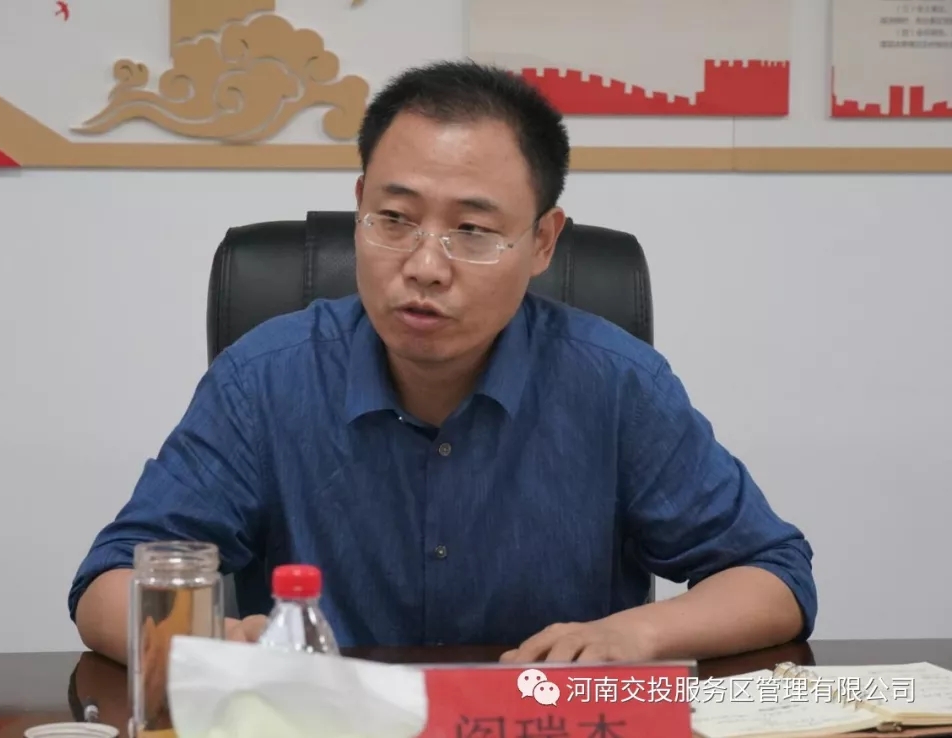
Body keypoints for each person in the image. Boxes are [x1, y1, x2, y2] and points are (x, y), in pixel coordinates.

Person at [70, 60, 816, 665]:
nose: (425, 266)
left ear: (543, 242)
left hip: (538, 724)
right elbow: (111, 580)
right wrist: (204, 641)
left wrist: (638, 634)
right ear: (359, 205)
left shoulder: (616, 384)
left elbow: (773, 576)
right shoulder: (264, 379)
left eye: (472, 230)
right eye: (394, 219)